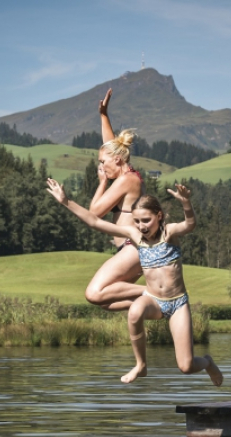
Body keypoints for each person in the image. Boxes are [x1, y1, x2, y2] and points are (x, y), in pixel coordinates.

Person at [46, 178, 223, 386]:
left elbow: (190, 224)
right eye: (137, 221)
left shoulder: (170, 234)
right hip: (153, 301)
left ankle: (208, 363)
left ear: (159, 216)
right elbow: (95, 222)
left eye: (146, 220)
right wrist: (66, 201)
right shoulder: (135, 236)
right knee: (135, 311)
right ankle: (141, 365)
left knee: (186, 366)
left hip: (178, 304)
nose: (141, 226)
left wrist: (186, 203)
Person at [84, 88, 145, 311]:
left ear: (117, 160)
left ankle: (160, 291)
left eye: (102, 162)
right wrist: (103, 115)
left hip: (133, 248)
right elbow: (110, 146)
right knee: (106, 302)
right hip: (128, 250)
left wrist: (101, 182)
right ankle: (158, 302)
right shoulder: (126, 172)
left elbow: (94, 214)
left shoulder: (126, 181)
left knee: (93, 293)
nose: (101, 166)